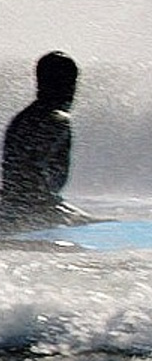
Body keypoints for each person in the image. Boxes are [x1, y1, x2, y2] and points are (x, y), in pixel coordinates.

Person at [0, 51, 92, 232]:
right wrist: (43, 207)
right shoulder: (56, 119)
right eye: (70, 82)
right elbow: (29, 169)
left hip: (13, 202)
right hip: (31, 207)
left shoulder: (24, 117)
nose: (73, 89)